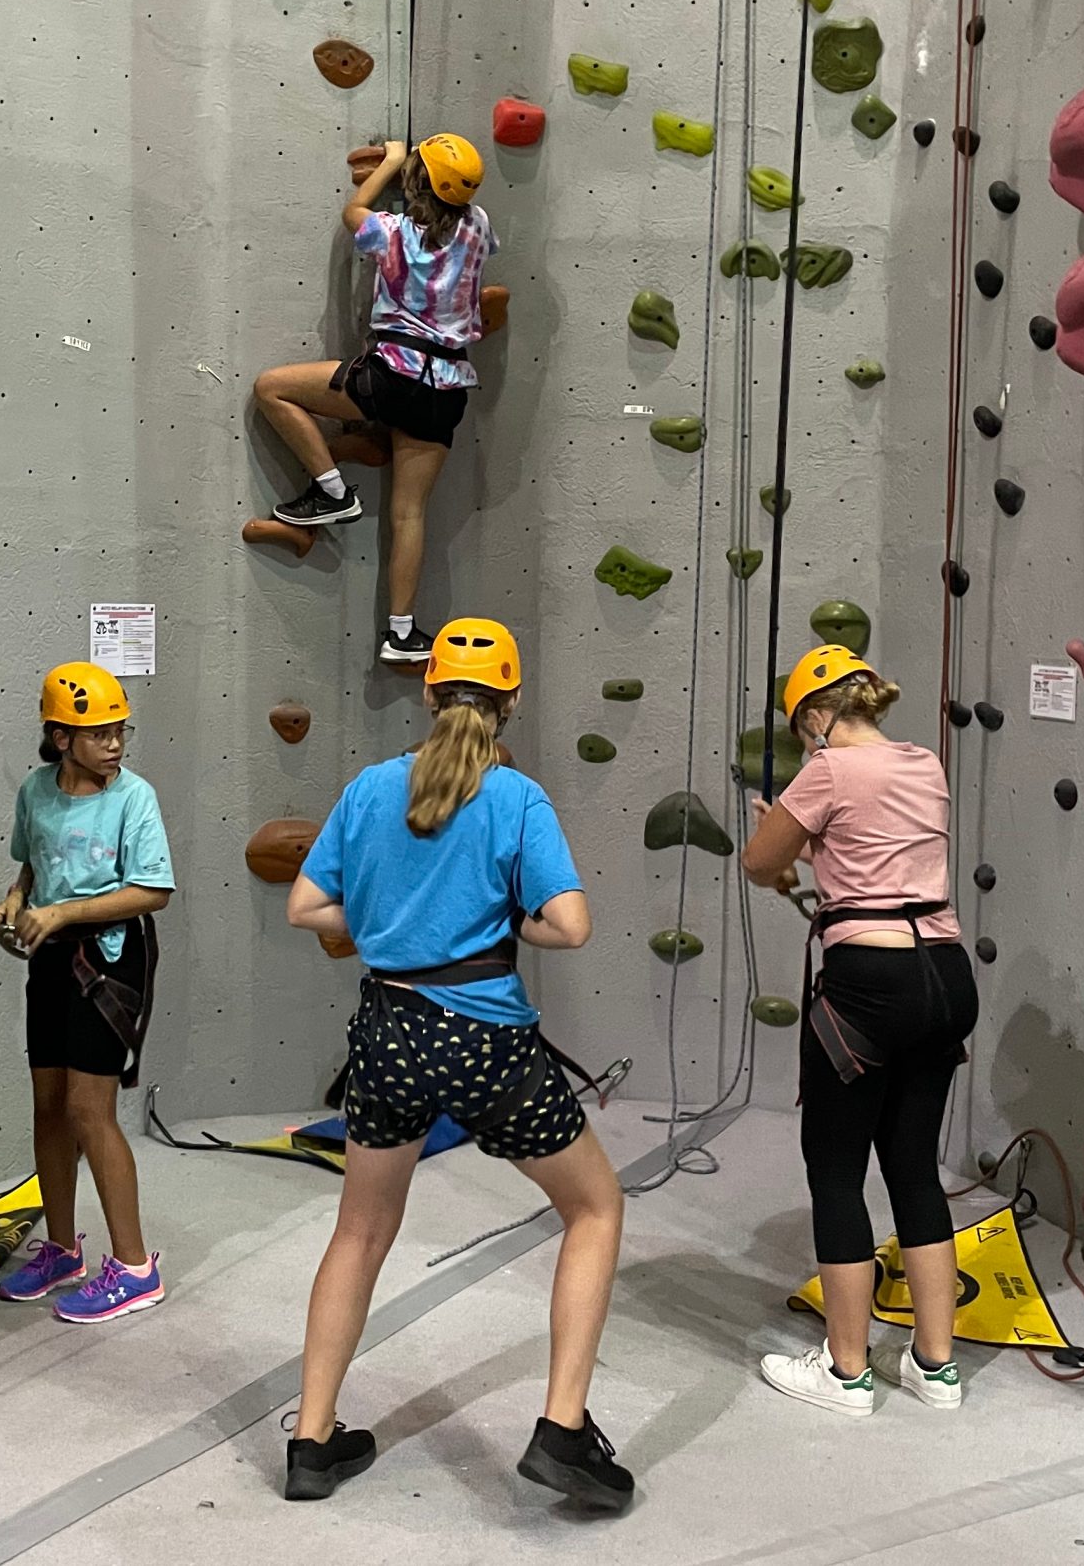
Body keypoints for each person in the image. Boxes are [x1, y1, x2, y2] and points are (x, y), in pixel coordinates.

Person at [281, 619, 633, 1513]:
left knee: (358, 1230)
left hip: (389, 1034)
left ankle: (312, 1440)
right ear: (509, 699)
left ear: (427, 694)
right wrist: (492, 927)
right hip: (485, 1044)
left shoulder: (369, 789)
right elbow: (569, 925)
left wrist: (393, 929)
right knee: (594, 1208)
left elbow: (305, 907)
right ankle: (561, 1431)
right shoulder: (515, 799)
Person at [740, 645, 980, 1418]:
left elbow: (756, 863)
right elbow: (870, 850)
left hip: (869, 985)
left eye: (800, 728)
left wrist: (780, 837)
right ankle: (934, 1368)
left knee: (836, 1172)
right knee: (911, 1165)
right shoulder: (923, 766)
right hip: (944, 975)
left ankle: (847, 1373)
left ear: (815, 717)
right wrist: (806, 843)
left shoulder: (826, 771)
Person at [252, 133, 497, 667]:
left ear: (415, 183)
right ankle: (402, 633)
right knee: (409, 514)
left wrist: (388, 161)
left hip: (394, 375)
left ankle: (332, 491)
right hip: (447, 389)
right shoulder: (478, 227)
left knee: (272, 387)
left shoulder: (389, 233)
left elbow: (353, 210)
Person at [0, 662, 175, 1323]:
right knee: (48, 1107)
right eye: (99, 735)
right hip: (49, 960)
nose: (115, 745)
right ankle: (63, 1247)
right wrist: (15, 900)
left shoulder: (133, 798)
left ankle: (134, 1267)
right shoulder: (37, 792)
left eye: (120, 732)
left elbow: (152, 889)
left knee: (90, 1111)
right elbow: (34, 861)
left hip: (109, 964)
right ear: (60, 737)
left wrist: (62, 914)